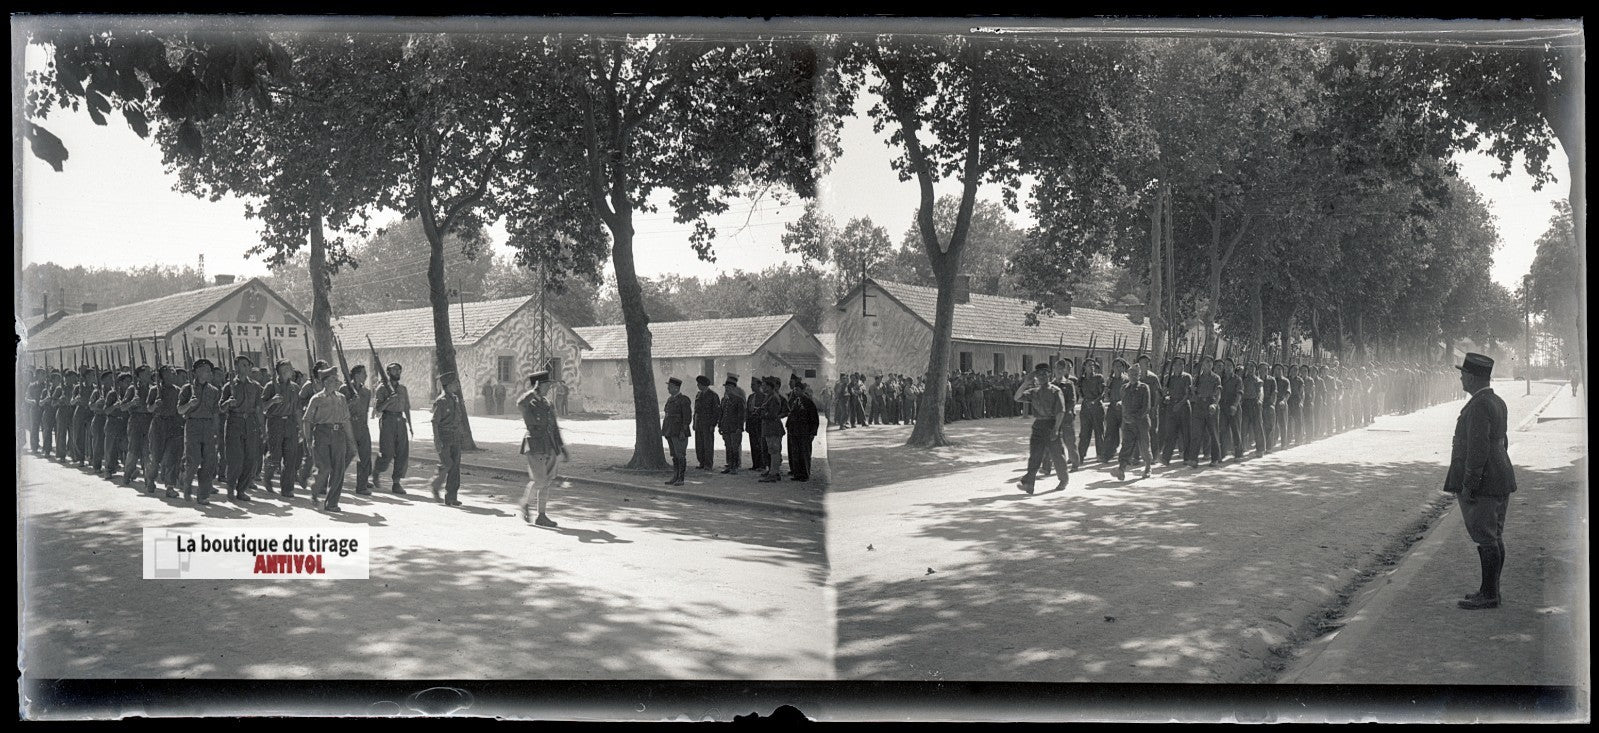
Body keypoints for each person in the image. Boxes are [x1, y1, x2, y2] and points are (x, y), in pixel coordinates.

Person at [1444, 353, 1517, 610]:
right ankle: (1491, 590)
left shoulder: (1478, 405)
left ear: (1473, 377)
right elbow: (1502, 442)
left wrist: (1469, 484)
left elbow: (1477, 449)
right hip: (1500, 476)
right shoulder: (1496, 401)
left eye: (1464, 373)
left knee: (1486, 537)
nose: (1461, 377)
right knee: (1494, 536)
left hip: (1484, 482)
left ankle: (1489, 594)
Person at [301, 367, 357, 512]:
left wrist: (351, 442)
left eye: (336, 379)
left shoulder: (341, 398)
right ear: (324, 382)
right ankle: (315, 489)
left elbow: (346, 421)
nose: (335, 382)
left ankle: (332, 503)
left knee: (339, 470)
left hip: (339, 435)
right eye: (331, 380)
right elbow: (307, 420)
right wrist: (307, 440)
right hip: (321, 434)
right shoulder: (317, 398)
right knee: (324, 468)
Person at [517, 370, 569, 527]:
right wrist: (533, 392)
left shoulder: (547, 403)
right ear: (539, 385)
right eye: (547, 385)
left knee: (546, 482)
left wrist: (561, 448)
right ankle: (525, 503)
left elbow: (554, 427)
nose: (549, 388)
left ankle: (542, 515)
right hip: (535, 446)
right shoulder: (529, 403)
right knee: (539, 480)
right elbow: (520, 403)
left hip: (550, 446)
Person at [1013, 363, 1068, 494]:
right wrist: (1026, 382)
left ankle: (1063, 479)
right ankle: (1029, 484)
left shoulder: (1056, 391)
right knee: (1035, 456)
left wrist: (1056, 429)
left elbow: (1061, 411)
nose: (1042, 377)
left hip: (1051, 424)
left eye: (1044, 374)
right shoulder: (1034, 392)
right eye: (1039, 374)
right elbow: (1017, 397)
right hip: (1038, 426)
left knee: (1057, 455)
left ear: (1050, 375)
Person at [176, 358, 222, 505]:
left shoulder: (214, 391)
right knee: (193, 460)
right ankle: (187, 485)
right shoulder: (187, 389)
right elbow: (179, 410)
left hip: (208, 427)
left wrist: (216, 431)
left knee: (209, 462)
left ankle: (202, 495)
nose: (208, 372)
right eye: (205, 369)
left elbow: (215, 413)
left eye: (209, 370)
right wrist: (190, 403)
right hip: (193, 426)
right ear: (196, 372)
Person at [219, 355, 261, 501]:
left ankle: (241, 489)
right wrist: (228, 403)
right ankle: (230, 487)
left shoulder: (255, 386)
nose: (246, 368)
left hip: (249, 423)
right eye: (243, 365)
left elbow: (258, 407)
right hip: (234, 422)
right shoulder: (228, 386)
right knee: (235, 459)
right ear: (236, 367)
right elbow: (221, 408)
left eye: (248, 365)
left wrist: (261, 427)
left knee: (250, 459)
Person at [261, 360, 305, 498]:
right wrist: (272, 401)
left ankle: (287, 489)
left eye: (290, 368)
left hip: (291, 423)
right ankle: (267, 475)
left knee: (290, 458)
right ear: (279, 371)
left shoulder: (295, 388)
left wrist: (301, 428)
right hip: (275, 422)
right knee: (275, 456)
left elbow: (298, 410)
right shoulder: (270, 386)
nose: (290, 370)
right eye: (286, 368)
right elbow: (261, 407)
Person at [372, 362, 411, 494]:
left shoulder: (403, 389)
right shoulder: (381, 389)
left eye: (399, 370)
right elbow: (378, 409)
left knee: (402, 453)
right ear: (388, 373)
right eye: (394, 371)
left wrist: (410, 425)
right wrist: (389, 400)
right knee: (387, 453)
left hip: (400, 421)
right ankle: (377, 471)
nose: (397, 373)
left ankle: (396, 482)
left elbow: (406, 407)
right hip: (388, 420)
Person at [1113, 359, 1155, 481]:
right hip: (1127, 423)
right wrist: (1121, 405)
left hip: (1141, 422)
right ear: (1128, 375)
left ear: (1139, 375)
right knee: (1126, 445)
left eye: (1136, 374)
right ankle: (1121, 469)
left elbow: (1146, 407)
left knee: (1144, 446)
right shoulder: (1124, 388)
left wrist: (1134, 418)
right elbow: (1124, 402)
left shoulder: (1144, 388)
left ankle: (1147, 467)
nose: (1133, 377)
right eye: (1131, 374)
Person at [144, 366, 183, 495]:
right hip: (158, 425)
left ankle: (170, 486)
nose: (172, 376)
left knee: (172, 457)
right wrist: (156, 404)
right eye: (169, 374)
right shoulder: (155, 390)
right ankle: (150, 479)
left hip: (174, 424)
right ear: (162, 376)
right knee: (155, 456)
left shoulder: (178, 391)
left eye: (173, 373)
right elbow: (149, 408)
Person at [430, 371, 467, 506]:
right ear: (448, 385)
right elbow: (435, 422)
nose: (457, 385)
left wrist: (461, 433)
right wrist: (437, 440)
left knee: (455, 467)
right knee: (447, 464)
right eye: (455, 383)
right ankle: (435, 485)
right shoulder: (441, 401)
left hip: (455, 436)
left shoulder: (455, 399)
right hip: (444, 437)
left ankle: (451, 496)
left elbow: (458, 418)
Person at [341, 364, 375, 495]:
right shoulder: (344, 389)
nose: (366, 376)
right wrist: (351, 402)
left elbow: (365, 411)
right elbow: (341, 410)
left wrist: (365, 427)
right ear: (356, 375)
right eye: (363, 373)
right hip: (349, 427)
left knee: (365, 456)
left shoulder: (366, 392)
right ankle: (334, 479)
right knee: (347, 455)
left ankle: (361, 486)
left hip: (362, 427)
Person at [120, 365, 155, 486]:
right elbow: (122, 407)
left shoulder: (153, 388)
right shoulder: (132, 389)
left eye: (150, 373)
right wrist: (131, 403)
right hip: (135, 421)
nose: (149, 375)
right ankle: (127, 474)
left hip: (149, 421)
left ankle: (149, 480)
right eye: (146, 373)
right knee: (133, 450)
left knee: (148, 451)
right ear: (139, 375)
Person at [1160, 356, 1195, 468]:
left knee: (1186, 433)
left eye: (1181, 364)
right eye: (1176, 364)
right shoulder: (1169, 378)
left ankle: (1187, 457)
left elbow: (1188, 394)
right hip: (1172, 406)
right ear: (1173, 366)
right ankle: (1166, 457)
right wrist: (1166, 397)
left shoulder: (1187, 377)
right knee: (1170, 433)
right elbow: (1166, 393)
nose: (1179, 366)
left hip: (1183, 406)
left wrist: (1179, 404)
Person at [786, 374, 819, 482]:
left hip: (804, 432)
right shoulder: (796, 401)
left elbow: (814, 418)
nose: (796, 391)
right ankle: (797, 474)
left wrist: (813, 433)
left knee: (804, 454)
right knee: (796, 453)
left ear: (802, 390)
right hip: (795, 432)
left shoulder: (808, 402)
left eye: (798, 389)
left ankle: (805, 474)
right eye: (795, 389)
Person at [1191, 354, 1223, 467]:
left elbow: (1218, 393)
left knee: (1213, 433)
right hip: (1199, 405)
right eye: (1206, 362)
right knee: (1197, 433)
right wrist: (1193, 391)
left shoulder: (1216, 378)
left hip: (1211, 405)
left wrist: (1215, 404)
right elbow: (1193, 394)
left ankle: (1215, 458)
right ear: (1202, 364)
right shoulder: (1197, 378)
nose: (1208, 364)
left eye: (1210, 362)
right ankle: (1194, 459)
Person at [661, 376, 692, 486]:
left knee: (680, 455)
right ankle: (675, 476)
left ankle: (681, 478)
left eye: (670, 386)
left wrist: (683, 431)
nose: (668, 388)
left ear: (676, 388)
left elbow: (687, 418)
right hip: (670, 431)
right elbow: (667, 415)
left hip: (679, 432)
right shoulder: (670, 400)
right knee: (674, 455)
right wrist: (664, 430)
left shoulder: (684, 400)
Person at [758, 376, 789, 483]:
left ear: (770, 387)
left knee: (774, 451)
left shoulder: (773, 398)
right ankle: (773, 471)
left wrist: (761, 414)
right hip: (769, 427)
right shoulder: (770, 396)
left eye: (764, 385)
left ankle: (774, 473)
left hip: (773, 427)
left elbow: (772, 414)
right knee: (772, 451)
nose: (762, 387)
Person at [718, 373, 747, 474]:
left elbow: (741, 416)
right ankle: (729, 465)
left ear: (734, 388)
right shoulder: (724, 400)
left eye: (729, 387)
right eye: (726, 387)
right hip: (726, 427)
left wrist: (740, 428)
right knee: (728, 447)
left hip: (735, 428)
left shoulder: (739, 400)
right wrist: (720, 425)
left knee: (735, 448)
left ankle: (735, 466)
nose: (727, 389)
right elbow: (721, 413)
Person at [692, 375, 722, 470]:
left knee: (708, 444)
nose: (697, 385)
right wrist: (694, 422)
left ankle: (708, 464)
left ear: (704, 385)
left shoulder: (713, 395)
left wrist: (713, 424)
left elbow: (716, 412)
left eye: (699, 384)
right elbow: (696, 410)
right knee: (699, 444)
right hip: (699, 423)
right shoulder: (698, 395)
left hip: (708, 423)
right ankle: (701, 462)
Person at [746, 378, 769, 473]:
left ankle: (762, 464)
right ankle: (755, 464)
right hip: (752, 423)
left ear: (759, 386)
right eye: (751, 385)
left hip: (759, 423)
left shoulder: (764, 397)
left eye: (754, 385)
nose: (752, 386)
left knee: (761, 444)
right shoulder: (751, 397)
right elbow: (747, 411)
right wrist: (747, 424)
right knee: (753, 443)